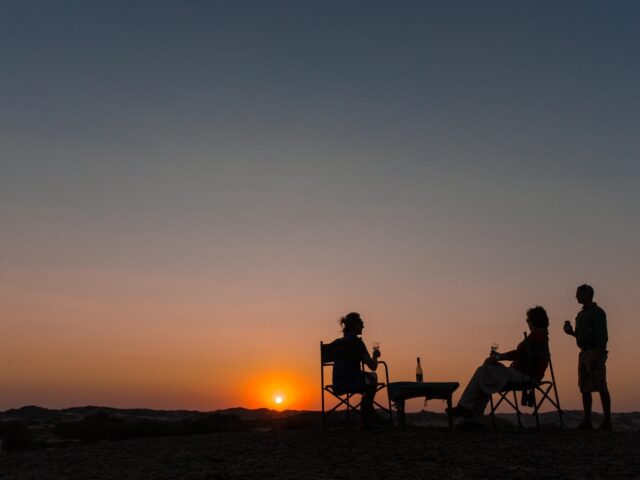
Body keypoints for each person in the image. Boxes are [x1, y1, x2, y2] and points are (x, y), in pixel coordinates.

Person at [447, 306, 550, 419]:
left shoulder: (536, 335)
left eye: (528, 321)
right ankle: (473, 416)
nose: (528, 324)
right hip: (523, 375)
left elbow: (519, 353)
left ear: (533, 321)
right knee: (485, 374)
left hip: (526, 377)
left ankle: (466, 408)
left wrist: (498, 357)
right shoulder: (542, 336)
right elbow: (523, 355)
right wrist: (499, 357)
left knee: (484, 370)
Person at [563, 284, 612, 430]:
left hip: (594, 351)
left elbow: (601, 333)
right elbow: (581, 335)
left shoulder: (597, 312)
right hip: (584, 352)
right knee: (584, 387)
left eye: (579, 293)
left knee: (600, 385)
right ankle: (587, 420)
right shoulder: (581, 314)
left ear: (587, 294)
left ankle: (607, 420)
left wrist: (599, 351)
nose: (576, 296)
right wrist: (571, 332)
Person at [331, 312, 381, 426]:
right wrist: (375, 356)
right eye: (361, 323)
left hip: (338, 384)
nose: (363, 326)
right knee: (373, 376)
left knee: (368, 378)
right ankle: (367, 413)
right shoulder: (357, 343)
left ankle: (366, 413)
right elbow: (373, 366)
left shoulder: (336, 344)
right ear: (354, 325)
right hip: (355, 382)